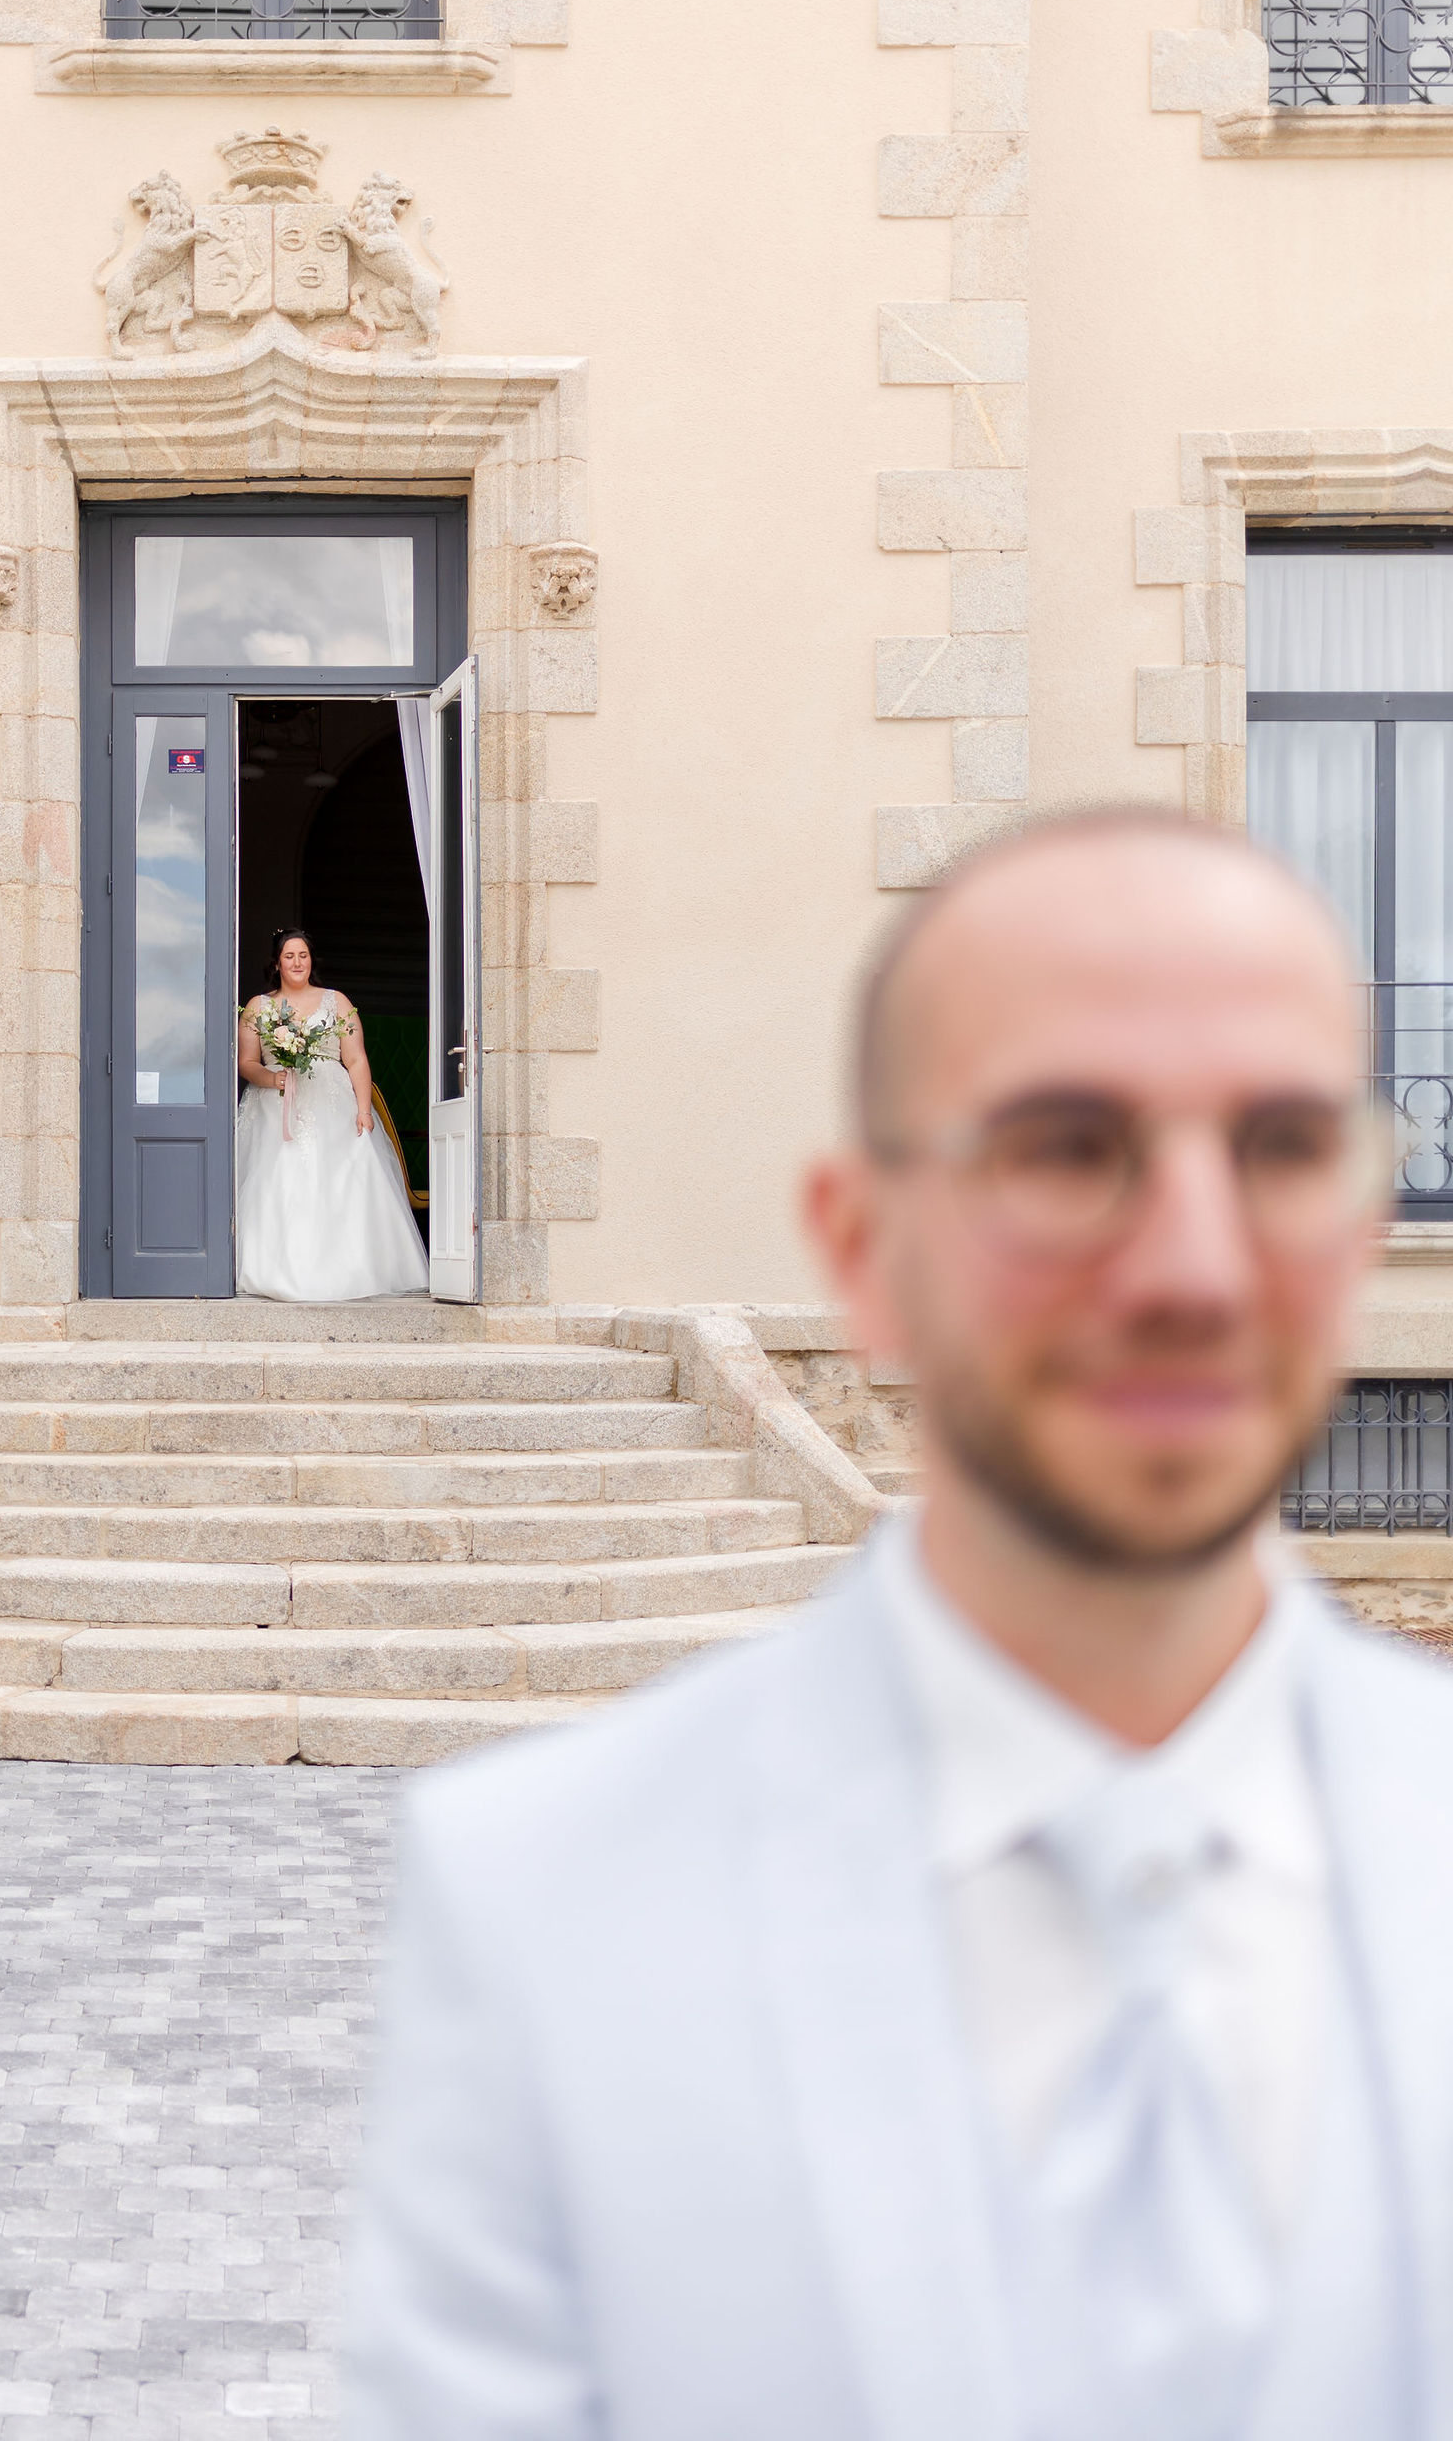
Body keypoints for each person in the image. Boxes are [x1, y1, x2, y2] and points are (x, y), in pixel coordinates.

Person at [345, 809, 1453, 2441]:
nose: (1192, 1267)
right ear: (860, 1250)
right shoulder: (538, 1907)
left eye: (1282, 1146)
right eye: (1067, 1147)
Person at [236, 925, 430, 1303]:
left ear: (311, 961)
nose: (297, 962)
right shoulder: (258, 1007)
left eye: (303, 956)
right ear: (276, 963)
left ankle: (348, 1270)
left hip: (333, 1104)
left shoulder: (337, 1001)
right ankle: (278, 1271)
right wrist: (273, 1077)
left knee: (340, 1183)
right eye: (289, 956)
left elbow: (355, 1058)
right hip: (276, 1106)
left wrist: (363, 1109)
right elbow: (246, 1062)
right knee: (280, 1181)